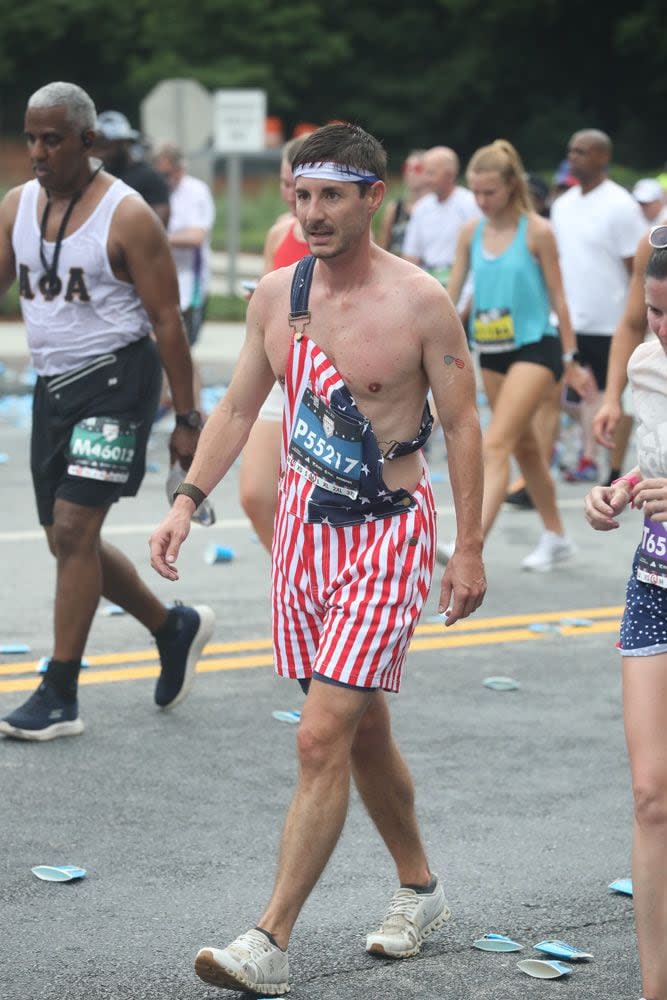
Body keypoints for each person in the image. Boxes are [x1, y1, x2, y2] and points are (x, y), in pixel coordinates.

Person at [149, 123, 486, 995]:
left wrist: (470, 549)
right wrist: (187, 501)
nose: (313, 212)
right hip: (303, 527)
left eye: (331, 195)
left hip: (386, 532)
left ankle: (270, 939)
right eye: (302, 195)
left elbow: (460, 428)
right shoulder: (275, 297)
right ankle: (421, 888)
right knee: (359, 729)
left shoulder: (420, 303)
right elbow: (233, 413)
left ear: (374, 197)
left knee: (320, 734)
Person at [0, 82, 214, 741]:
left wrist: (186, 420)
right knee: (68, 539)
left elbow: (168, 323)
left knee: (72, 528)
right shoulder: (15, 206)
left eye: (53, 138)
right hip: (53, 385)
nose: (38, 151)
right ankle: (171, 626)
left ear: (89, 142)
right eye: (32, 137)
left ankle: (60, 692)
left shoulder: (127, 217)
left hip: (120, 383)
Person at [437, 139, 594, 571]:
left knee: (497, 442)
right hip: (492, 351)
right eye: (476, 192)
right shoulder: (471, 232)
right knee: (525, 450)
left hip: (535, 348)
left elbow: (560, 300)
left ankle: (469, 545)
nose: (482, 201)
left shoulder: (537, 231)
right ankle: (557, 537)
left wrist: (571, 358)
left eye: (490, 192)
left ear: (510, 186)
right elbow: (452, 294)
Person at [584, 238, 667, 1000]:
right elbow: (654, 461)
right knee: (650, 794)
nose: (663, 328)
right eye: (653, 311)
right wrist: (618, 488)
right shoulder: (646, 365)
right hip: (656, 581)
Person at [551, 129, 646, 483]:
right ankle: (586, 457)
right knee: (567, 397)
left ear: (602, 157)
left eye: (582, 151)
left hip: (612, 321)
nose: (573, 157)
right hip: (571, 321)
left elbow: (635, 267)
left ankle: (613, 470)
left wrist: (636, 316)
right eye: (571, 151)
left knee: (613, 401)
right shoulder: (562, 206)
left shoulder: (620, 205)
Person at [238, 135, 311, 551]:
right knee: (256, 495)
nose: (291, 196)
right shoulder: (278, 233)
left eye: (298, 185)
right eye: (286, 185)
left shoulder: (343, 236)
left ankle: (316, 579)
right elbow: (266, 301)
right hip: (278, 373)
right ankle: (291, 572)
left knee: (319, 501)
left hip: (327, 383)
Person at [153, 143, 216, 414]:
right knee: (166, 349)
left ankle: (191, 409)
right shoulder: (154, 190)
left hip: (191, 283)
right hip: (160, 282)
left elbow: (196, 236)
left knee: (180, 350)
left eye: (168, 174)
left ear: (180, 169)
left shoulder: (196, 191)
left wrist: (161, 239)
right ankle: (172, 403)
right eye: (160, 174)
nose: (165, 180)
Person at [401, 145, 480, 285]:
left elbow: (479, 252)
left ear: (450, 175)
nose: (425, 179)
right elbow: (410, 257)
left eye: (431, 173)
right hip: (428, 284)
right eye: (424, 172)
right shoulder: (421, 208)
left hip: (463, 282)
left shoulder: (470, 203)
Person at [93, 110, 170, 226]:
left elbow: (158, 225)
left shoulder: (150, 178)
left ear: (124, 143)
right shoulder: (98, 177)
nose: (102, 154)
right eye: (98, 146)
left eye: (107, 146)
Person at [376, 149, 428, 254]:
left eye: (417, 169)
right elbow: (382, 248)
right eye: (407, 168)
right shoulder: (395, 208)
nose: (411, 173)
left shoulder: (435, 208)